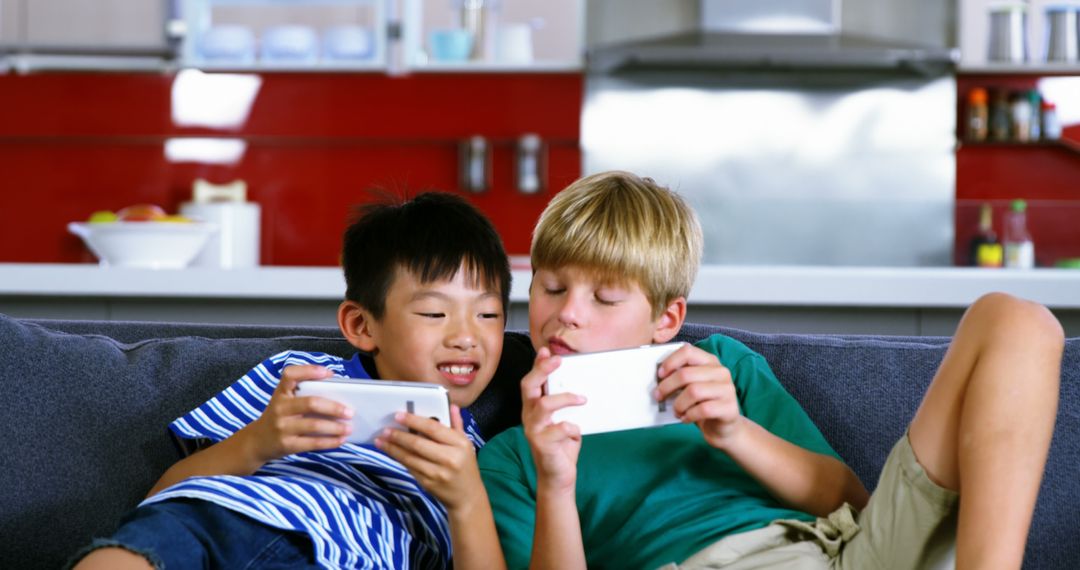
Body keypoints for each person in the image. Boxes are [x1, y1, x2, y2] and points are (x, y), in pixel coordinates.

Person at [477, 171, 1064, 570]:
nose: (567, 315)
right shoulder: (511, 456)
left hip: (844, 553)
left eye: (604, 300)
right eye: (551, 289)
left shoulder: (722, 367)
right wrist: (555, 478)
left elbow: (850, 500)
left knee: (1016, 320)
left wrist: (735, 432)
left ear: (666, 319)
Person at [72, 192, 512, 569]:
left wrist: (466, 498)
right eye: (434, 313)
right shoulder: (300, 377)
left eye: (488, 314)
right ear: (361, 325)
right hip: (219, 518)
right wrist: (260, 439)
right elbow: (164, 495)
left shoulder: (486, 456)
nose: (465, 336)